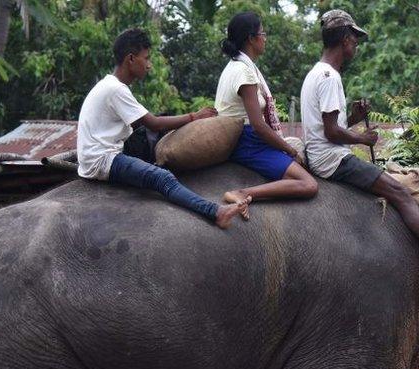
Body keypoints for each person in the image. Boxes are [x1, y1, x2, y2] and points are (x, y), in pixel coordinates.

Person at [77, 28, 249, 228]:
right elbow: (154, 123)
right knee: (162, 178)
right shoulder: (115, 89)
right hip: (102, 160)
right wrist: (194, 116)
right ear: (131, 59)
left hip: (98, 154)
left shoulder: (111, 85)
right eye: (146, 58)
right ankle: (215, 212)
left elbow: (142, 125)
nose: (149, 65)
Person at [300, 10, 419, 245]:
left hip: (320, 155)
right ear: (345, 40)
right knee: (401, 193)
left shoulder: (316, 73)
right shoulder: (330, 77)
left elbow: (327, 127)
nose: (357, 44)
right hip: (332, 160)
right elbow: (331, 133)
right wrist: (363, 138)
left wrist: (354, 118)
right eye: (355, 39)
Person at [215, 12, 318, 210]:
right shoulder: (244, 72)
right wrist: (289, 150)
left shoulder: (235, 66)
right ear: (251, 39)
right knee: (309, 184)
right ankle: (243, 193)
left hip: (243, 136)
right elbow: (258, 126)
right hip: (248, 141)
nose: (265, 38)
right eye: (262, 33)